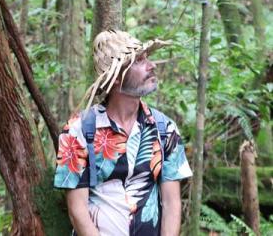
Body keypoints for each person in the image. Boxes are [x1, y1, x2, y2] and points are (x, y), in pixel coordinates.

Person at [54, 29, 192, 236]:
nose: (151, 66)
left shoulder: (165, 129)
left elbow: (172, 203)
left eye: (147, 59)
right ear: (116, 78)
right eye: (139, 61)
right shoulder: (78, 130)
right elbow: (77, 210)